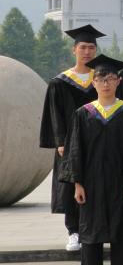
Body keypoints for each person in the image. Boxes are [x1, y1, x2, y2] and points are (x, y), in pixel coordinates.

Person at [65, 54, 123, 265]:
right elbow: (75, 150)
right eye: (100, 79)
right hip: (91, 183)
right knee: (90, 235)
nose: (105, 83)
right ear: (94, 83)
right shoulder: (83, 114)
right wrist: (77, 183)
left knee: (121, 234)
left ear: (118, 81)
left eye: (110, 79)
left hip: (120, 182)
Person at [39, 24, 102, 252]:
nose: (87, 52)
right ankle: (73, 231)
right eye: (83, 47)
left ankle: (92, 229)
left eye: (91, 48)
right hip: (70, 144)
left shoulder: (102, 80)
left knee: (96, 185)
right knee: (70, 187)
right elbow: (55, 114)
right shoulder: (60, 82)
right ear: (74, 49)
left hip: (98, 143)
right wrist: (60, 142)